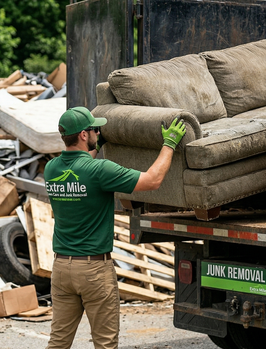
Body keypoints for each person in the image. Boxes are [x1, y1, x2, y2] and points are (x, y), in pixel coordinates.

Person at [44, 106, 186, 349]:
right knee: (105, 343)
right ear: (83, 135)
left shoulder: (51, 169)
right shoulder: (100, 170)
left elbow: (78, 167)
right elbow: (152, 180)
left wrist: (95, 146)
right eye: (94, 130)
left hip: (61, 269)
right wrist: (169, 144)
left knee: (58, 342)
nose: (98, 133)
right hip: (93, 271)